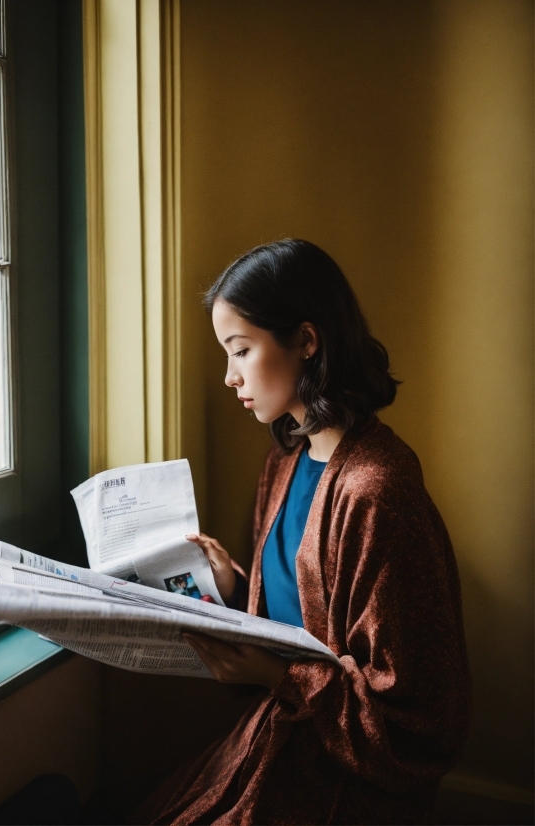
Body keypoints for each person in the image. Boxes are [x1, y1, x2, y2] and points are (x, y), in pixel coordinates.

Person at [131, 239, 471, 825]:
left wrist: (277, 675)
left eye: (241, 350)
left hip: (344, 778)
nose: (229, 376)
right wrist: (233, 589)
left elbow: (420, 723)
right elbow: (296, 625)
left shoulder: (377, 491)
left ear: (307, 341)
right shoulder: (285, 462)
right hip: (279, 736)